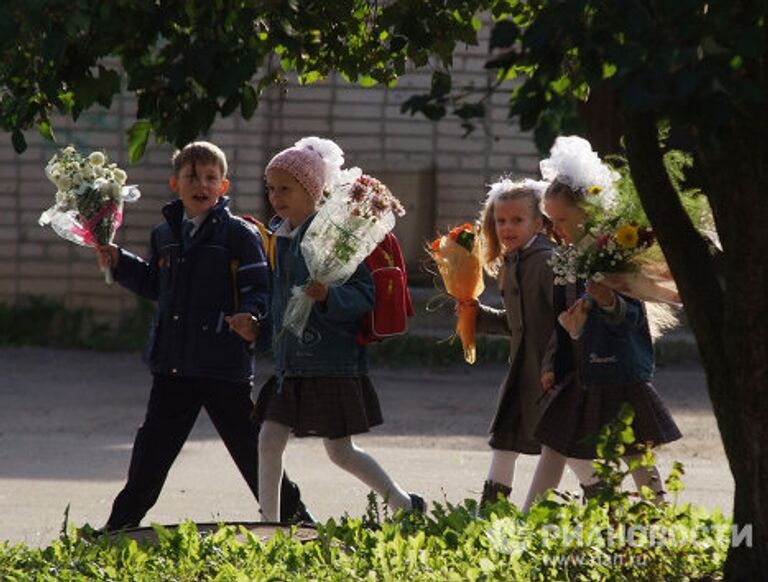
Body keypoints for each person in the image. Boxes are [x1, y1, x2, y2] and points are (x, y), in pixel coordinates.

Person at [95, 141, 312, 530]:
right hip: (172, 365)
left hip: (221, 363)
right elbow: (156, 284)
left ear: (223, 187)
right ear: (175, 184)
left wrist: (252, 317)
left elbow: (257, 287)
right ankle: (117, 528)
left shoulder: (238, 235)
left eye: (210, 177)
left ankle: (298, 523)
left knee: (250, 449)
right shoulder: (165, 234)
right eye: (191, 176)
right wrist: (120, 261)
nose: (201, 184)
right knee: (152, 451)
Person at [249, 137, 424, 521]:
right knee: (268, 440)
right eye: (271, 188)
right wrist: (259, 331)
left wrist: (328, 295)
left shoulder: (335, 237)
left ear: (312, 190)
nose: (276, 197)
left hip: (331, 363)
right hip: (290, 366)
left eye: (286, 188)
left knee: (340, 451)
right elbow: (280, 303)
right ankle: (269, 524)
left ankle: (403, 503)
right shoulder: (281, 237)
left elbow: (363, 293)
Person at [532, 137, 682, 504]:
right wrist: (567, 334)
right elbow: (564, 317)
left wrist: (608, 300)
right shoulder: (577, 257)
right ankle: (530, 517)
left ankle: (658, 511)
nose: (557, 229)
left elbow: (629, 316)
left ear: (587, 210)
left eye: (563, 220)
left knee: (633, 452)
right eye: (551, 221)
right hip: (583, 372)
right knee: (556, 444)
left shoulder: (615, 254)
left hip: (617, 372)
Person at [458, 178, 567, 509]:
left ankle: (607, 513)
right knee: (504, 443)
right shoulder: (513, 261)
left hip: (551, 375)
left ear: (539, 221)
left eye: (517, 220)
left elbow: (565, 323)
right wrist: (478, 315)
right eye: (501, 220)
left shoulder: (548, 262)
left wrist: (552, 366)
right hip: (522, 374)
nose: (507, 227)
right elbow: (519, 324)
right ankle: (490, 514)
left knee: (567, 449)